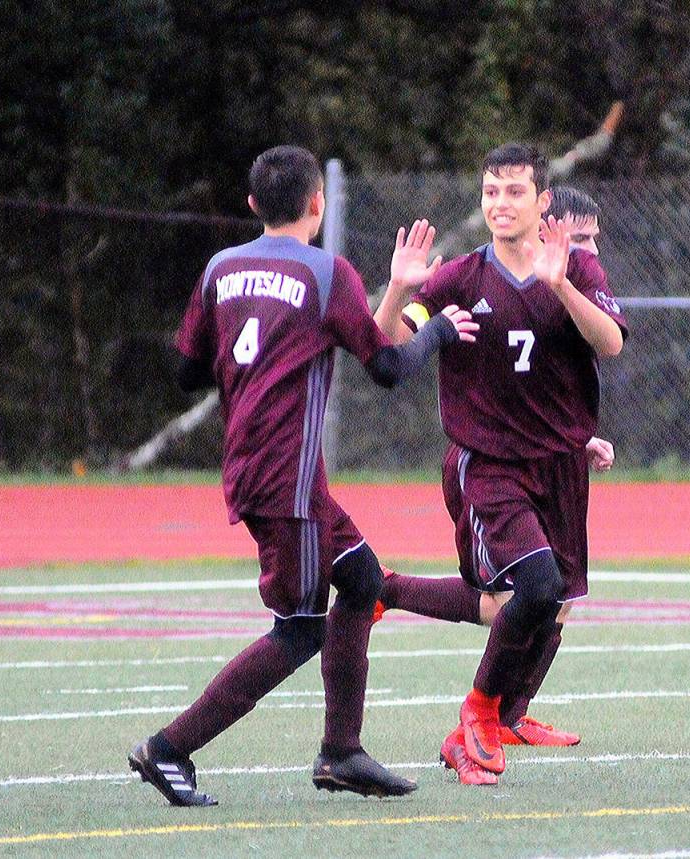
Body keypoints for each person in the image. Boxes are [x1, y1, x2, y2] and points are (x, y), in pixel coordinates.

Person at [127, 144, 477, 806]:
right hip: (284, 477)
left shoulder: (220, 268)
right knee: (298, 628)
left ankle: (341, 752)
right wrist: (440, 333)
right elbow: (387, 368)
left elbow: (186, 372)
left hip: (277, 471)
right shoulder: (326, 273)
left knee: (364, 580)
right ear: (318, 202)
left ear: (254, 205)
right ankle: (170, 748)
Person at [372, 148, 628, 786]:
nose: (500, 204)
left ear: (544, 202)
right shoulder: (458, 278)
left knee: (552, 601)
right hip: (489, 463)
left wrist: (561, 284)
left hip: (559, 465)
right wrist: (399, 290)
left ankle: (503, 713)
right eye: (491, 192)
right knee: (527, 591)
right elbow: (389, 346)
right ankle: (481, 713)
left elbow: (610, 343)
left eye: (515, 192)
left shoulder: (575, 264)